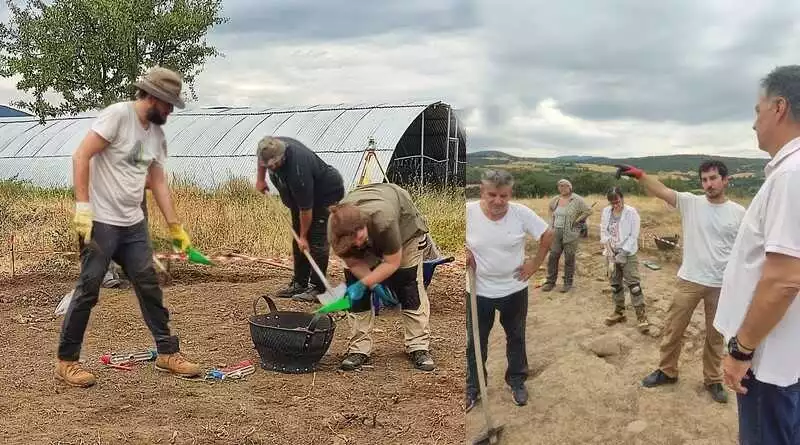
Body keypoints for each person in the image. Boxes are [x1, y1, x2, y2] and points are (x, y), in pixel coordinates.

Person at [57, 66, 202, 387]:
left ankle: (167, 353)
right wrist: (82, 206)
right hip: (100, 222)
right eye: (167, 104)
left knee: (149, 286)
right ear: (152, 97)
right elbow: (81, 156)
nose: (170, 111)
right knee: (89, 288)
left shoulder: (156, 136)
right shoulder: (117, 117)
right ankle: (67, 362)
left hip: (132, 224)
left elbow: (158, 182)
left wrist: (175, 228)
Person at [713, 65, 800, 443]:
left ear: (779, 107)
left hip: (769, 362)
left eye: (757, 110)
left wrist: (741, 350)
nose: (753, 123)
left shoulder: (791, 175)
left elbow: (785, 279)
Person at [616, 159, 745, 404]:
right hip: (690, 279)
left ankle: (713, 379)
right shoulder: (691, 203)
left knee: (716, 336)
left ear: (725, 180)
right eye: (704, 180)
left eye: (713, 178)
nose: (708, 184)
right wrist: (640, 175)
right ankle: (667, 371)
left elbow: (745, 250)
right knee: (673, 328)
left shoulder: (739, 213)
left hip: (721, 284)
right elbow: (662, 190)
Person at [465, 169, 553, 410]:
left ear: (510, 194)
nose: (498, 201)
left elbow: (547, 234)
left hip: (514, 289)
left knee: (516, 337)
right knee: (475, 341)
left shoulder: (520, 213)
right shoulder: (468, 212)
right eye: (492, 195)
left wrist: (535, 264)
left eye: (503, 196)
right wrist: (463, 250)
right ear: (482, 192)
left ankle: (516, 380)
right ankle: (473, 386)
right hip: (478, 290)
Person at [326, 182, 435, 372]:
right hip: (374, 221)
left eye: (358, 235)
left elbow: (392, 263)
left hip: (405, 231)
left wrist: (371, 281)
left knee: (408, 286)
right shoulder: (335, 227)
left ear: (363, 224)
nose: (357, 242)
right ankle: (358, 348)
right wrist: (366, 283)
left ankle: (418, 345)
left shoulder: (384, 220)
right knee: (357, 295)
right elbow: (354, 263)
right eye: (350, 239)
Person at [255, 136, 345, 302]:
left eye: (274, 164)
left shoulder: (298, 170)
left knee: (315, 239)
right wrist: (260, 180)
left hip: (325, 193)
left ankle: (317, 288)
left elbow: (306, 210)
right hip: (301, 198)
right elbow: (262, 160)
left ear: (282, 156)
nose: (271, 168)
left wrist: (304, 237)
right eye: (268, 165)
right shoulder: (268, 147)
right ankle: (299, 283)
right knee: (297, 237)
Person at [599, 187, 650, 334]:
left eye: (618, 201)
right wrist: (609, 250)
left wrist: (623, 252)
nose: (616, 205)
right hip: (611, 252)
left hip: (628, 253)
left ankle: (641, 315)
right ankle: (619, 312)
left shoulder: (631, 213)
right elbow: (604, 231)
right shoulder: (606, 212)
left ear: (622, 198)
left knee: (634, 285)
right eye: (612, 203)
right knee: (615, 284)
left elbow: (634, 235)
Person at [542, 179, 591, 293]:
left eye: (564, 186)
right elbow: (550, 209)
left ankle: (568, 283)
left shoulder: (577, 199)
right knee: (553, 256)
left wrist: (577, 220)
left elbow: (588, 211)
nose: (562, 188)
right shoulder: (556, 199)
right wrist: (551, 222)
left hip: (571, 232)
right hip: (556, 232)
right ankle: (550, 282)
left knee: (569, 258)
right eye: (560, 186)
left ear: (570, 187)